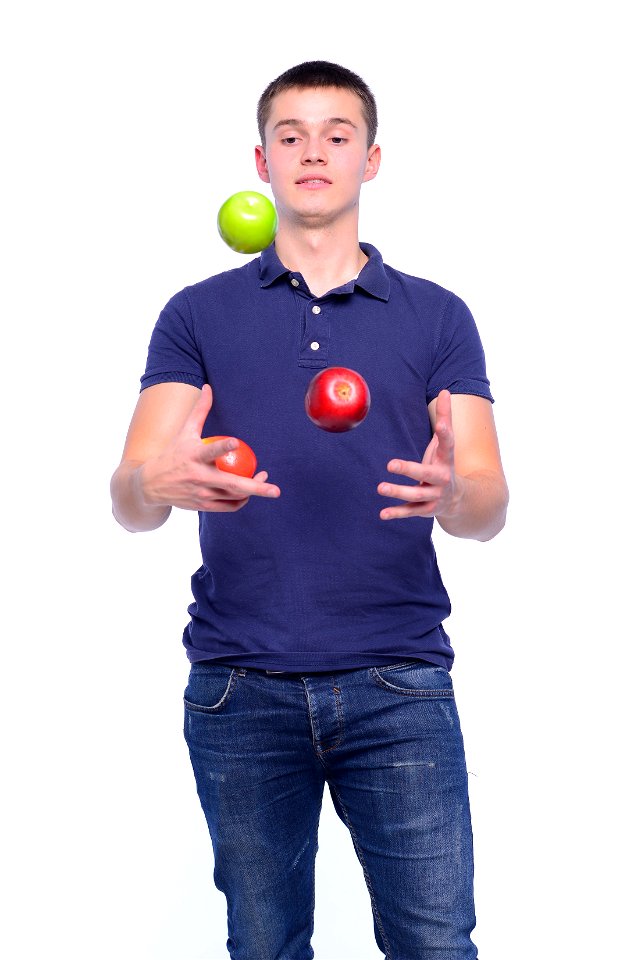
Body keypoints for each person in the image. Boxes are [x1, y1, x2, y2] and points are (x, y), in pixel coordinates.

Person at [111, 60, 508, 960]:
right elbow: (131, 494)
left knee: (437, 945)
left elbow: (486, 505)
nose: (314, 151)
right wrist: (155, 484)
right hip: (237, 686)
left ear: (371, 160)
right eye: (291, 135)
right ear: (262, 160)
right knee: (264, 947)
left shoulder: (437, 316)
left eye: (337, 134)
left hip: (398, 683)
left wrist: (455, 494)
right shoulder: (196, 314)